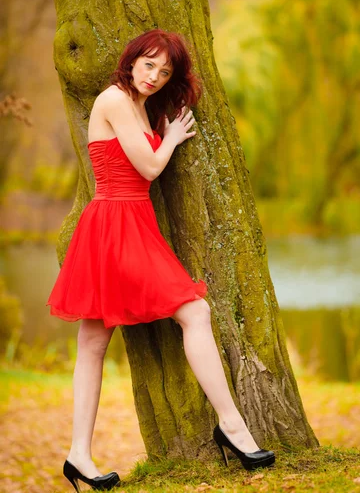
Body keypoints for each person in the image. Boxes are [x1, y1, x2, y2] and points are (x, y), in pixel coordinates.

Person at [47, 29, 275, 492]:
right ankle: (232, 427)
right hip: (114, 224)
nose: (154, 76)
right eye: (148, 64)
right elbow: (149, 168)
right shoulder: (113, 99)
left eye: (165, 71)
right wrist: (169, 137)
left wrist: (160, 129)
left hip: (132, 223)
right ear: (131, 60)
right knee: (190, 311)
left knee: (97, 341)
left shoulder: (139, 106)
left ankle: (78, 456)